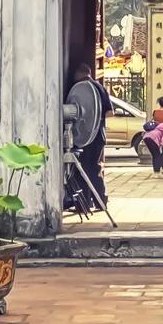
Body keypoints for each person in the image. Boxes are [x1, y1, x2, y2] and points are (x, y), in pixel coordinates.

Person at [62, 60, 109, 214]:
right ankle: (89, 202)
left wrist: (91, 120)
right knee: (87, 168)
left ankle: (98, 201)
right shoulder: (99, 88)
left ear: (82, 74)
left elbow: (107, 112)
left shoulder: (94, 88)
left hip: (93, 135)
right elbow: (109, 111)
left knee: (90, 169)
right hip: (91, 134)